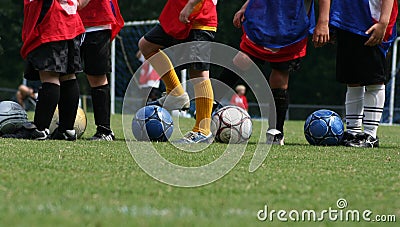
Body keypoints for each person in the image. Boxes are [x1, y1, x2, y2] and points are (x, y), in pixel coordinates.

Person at [232, 0, 331, 145]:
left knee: (280, 75)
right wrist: (245, 7)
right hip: (263, 18)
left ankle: (276, 131)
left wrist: (323, 21)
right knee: (241, 60)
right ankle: (207, 117)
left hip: (291, 23)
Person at [3, 0, 90, 140]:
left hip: (51, 21)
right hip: (71, 22)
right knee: (68, 76)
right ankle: (67, 130)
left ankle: (39, 128)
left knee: (50, 76)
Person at [138, 0, 218, 143]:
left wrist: (190, 5)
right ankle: (175, 93)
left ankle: (203, 130)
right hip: (177, 14)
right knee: (146, 45)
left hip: (199, 17)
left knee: (199, 74)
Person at [330, 0, 398, 148]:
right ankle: (353, 132)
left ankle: (370, 134)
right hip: (346, 20)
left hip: (371, 21)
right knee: (352, 79)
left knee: (374, 80)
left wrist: (383, 22)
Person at [79, 0, 124, 141]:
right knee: (65, 74)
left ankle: (105, 130)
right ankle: (65, 127)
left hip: (96, 22)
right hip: (70, 21)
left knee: (96, 76)